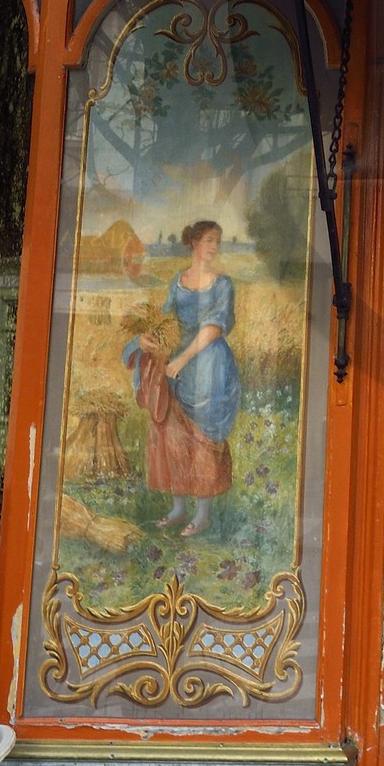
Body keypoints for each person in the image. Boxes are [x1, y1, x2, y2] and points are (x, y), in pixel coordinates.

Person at [126, 219, 241, 539]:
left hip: (208, 369)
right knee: (172, 437)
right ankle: (178, 508)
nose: (214, 247)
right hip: (175, 366)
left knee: (202, 440)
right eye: (208, 240)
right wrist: (148, 338)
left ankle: (202, 515)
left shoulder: (223, 285)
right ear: (193, 243)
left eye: (217, 241)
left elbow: (214, 327)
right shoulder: (178, 281)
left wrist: (183, 358)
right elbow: (165, 319)